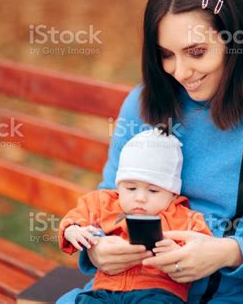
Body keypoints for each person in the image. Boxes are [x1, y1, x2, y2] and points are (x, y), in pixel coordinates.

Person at [57, 0, 243, 303]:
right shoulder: (144, 104)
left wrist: (229, 253)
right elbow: (110, 199)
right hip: (128, 290)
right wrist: (97, 249)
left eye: (197, 52)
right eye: (167, 55)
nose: (181, 72)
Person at [58, 129, 212, 303]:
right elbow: (77, 217)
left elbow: (202, 249)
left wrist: (178, 253)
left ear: (173, 194)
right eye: (130, 188)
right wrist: (73, 230)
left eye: (153, 190)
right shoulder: (105, 203)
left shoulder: (185, 217)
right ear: (119, 187)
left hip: (157, 292)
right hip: (105, 289)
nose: (140, 198)